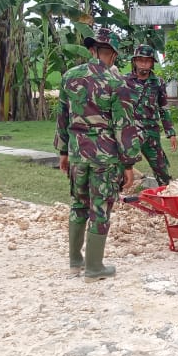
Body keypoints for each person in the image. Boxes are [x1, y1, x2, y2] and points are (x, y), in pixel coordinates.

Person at [58, 27, 140, 282]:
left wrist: (63, 151)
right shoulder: (116, 83)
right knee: (100, 207)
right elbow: (123, 126)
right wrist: (128, 164)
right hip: (104, 157)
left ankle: (75, 262)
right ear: (113, 54)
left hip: (76, 154)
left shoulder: (69, 77)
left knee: (78, 204)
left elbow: (62, 118)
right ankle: (94, 267)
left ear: (91, 49)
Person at [124, 44, 177, 186]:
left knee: (161, 168)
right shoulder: (124, 81)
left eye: (147, 61)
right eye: (140, 60)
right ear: (134, 61)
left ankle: (166, 196)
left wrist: (170, 132)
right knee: (122, 164)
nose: (144, 64)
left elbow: (163, 108)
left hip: (152, 132)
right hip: (132, 131)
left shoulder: (157, 82)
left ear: (152, 63)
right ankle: (117, 198)